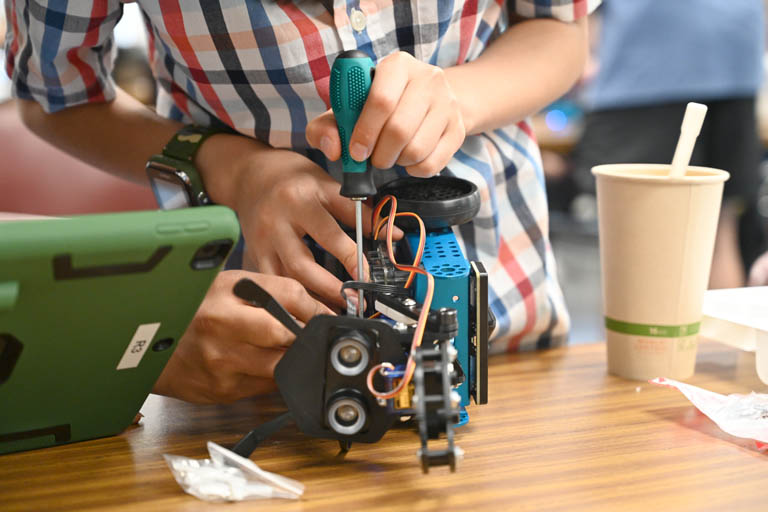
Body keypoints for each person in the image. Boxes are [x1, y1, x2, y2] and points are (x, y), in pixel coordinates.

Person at [5, 0, 597, 403]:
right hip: (255, 357)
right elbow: (55, 96)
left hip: (501, 335)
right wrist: (234, 167)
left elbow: (559, 25)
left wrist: (460, 98)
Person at [572, 0, 767, 289]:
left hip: (648, 63)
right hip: (732, 50)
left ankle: (636, 334)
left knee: (636, 241)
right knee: (717, 232)